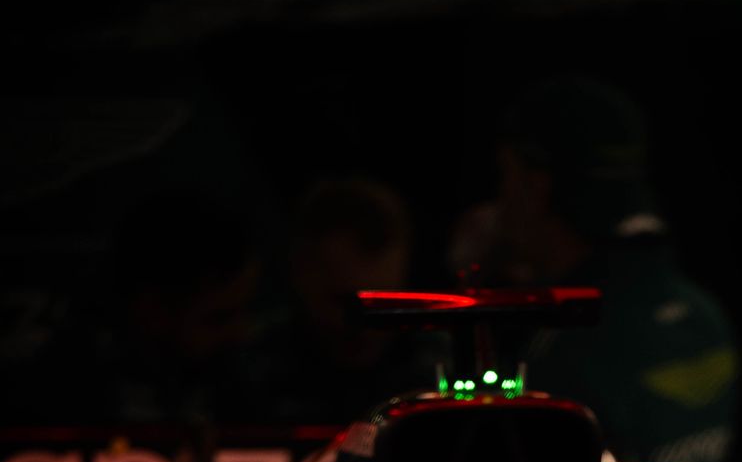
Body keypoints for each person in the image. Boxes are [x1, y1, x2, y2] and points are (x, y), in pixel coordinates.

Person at [453, 76, 740, 462]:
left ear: (535, 185)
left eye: (505, 175)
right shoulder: (703, 314)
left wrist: (468, 302)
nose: (498, 202)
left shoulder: (561, 356)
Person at [36, 189, 262, 424]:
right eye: (219, 318)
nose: (243, 332)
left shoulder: (236, 377)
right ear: (151, 310)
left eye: (247, 309)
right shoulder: (69, 387)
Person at [265, 177, 441, 424]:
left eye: (381, 304)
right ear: (299, 272)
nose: (362, 326)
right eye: (343, 302)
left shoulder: (440, 367)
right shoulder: (252, 371)